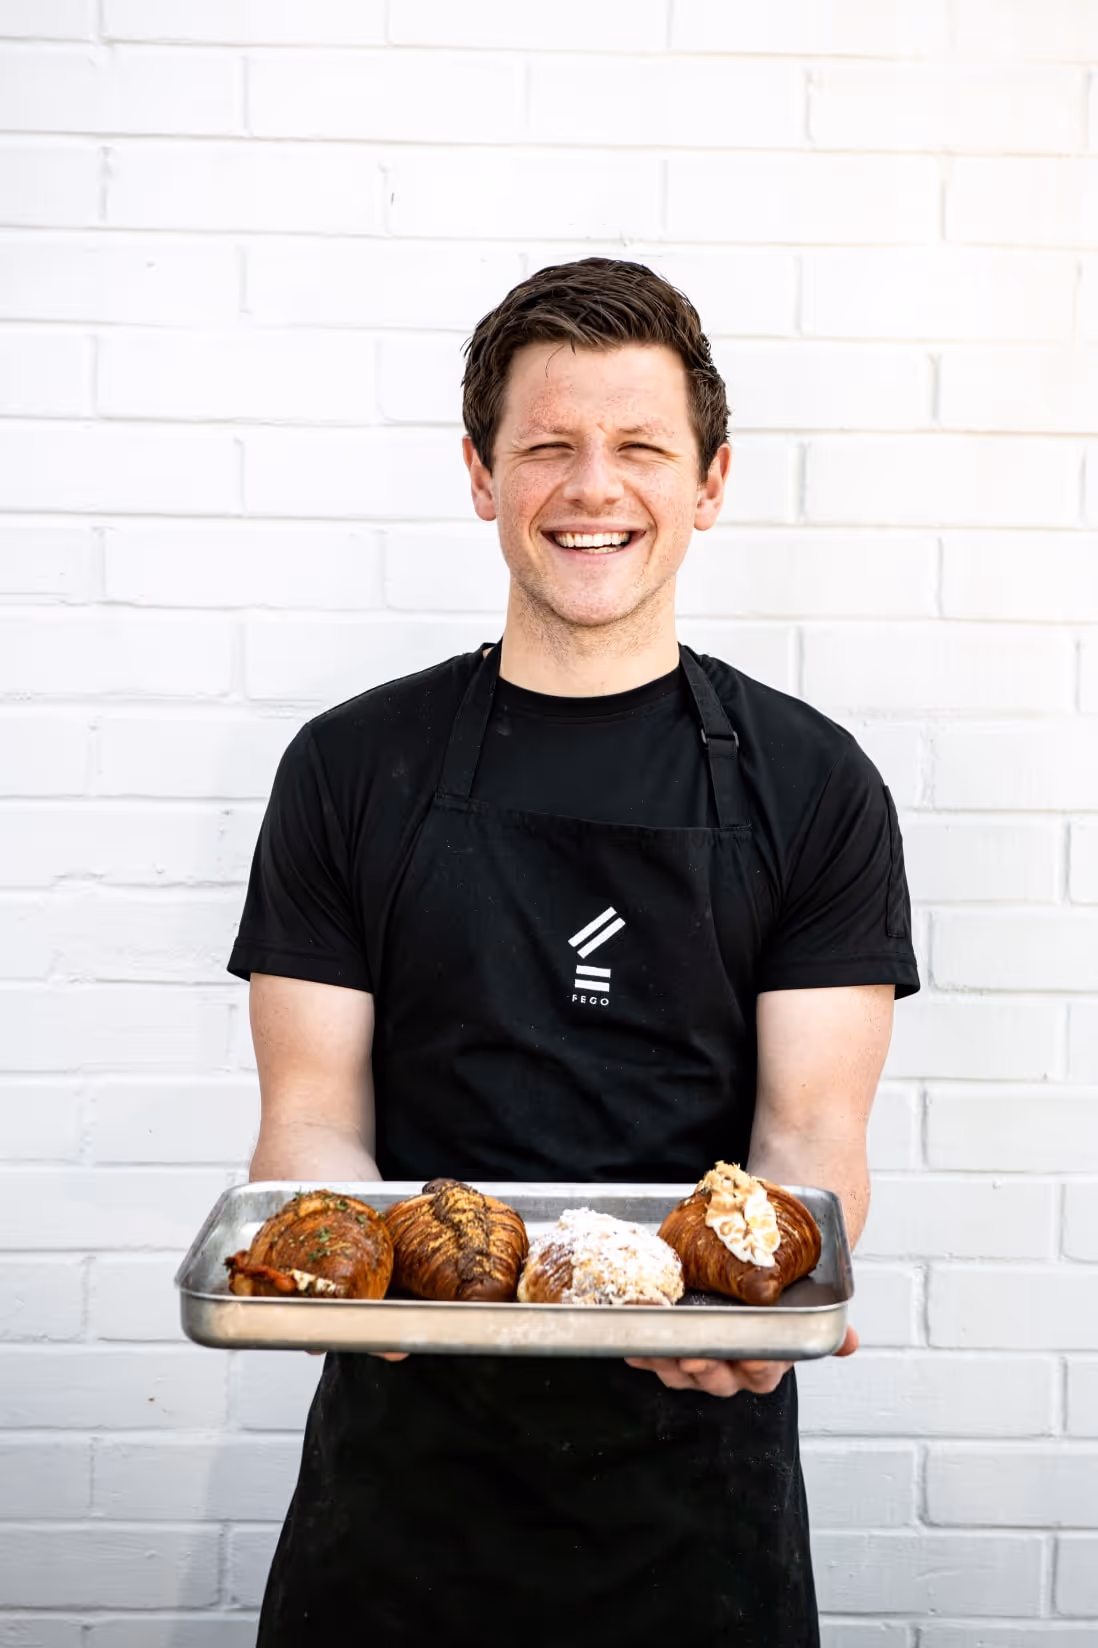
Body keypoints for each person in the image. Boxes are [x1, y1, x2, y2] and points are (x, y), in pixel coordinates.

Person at [228, 257, 919, 1646]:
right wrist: (346, 1267)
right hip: (403, 1479)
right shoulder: (349, 768)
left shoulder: (813, 782)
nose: (592, 486)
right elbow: (306, 1117)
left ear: (711, 483)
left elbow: (810, 1133)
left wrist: (764, 1302)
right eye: (547, 446)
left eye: (641, 448)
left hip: (694, 1492)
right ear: (484, 477)